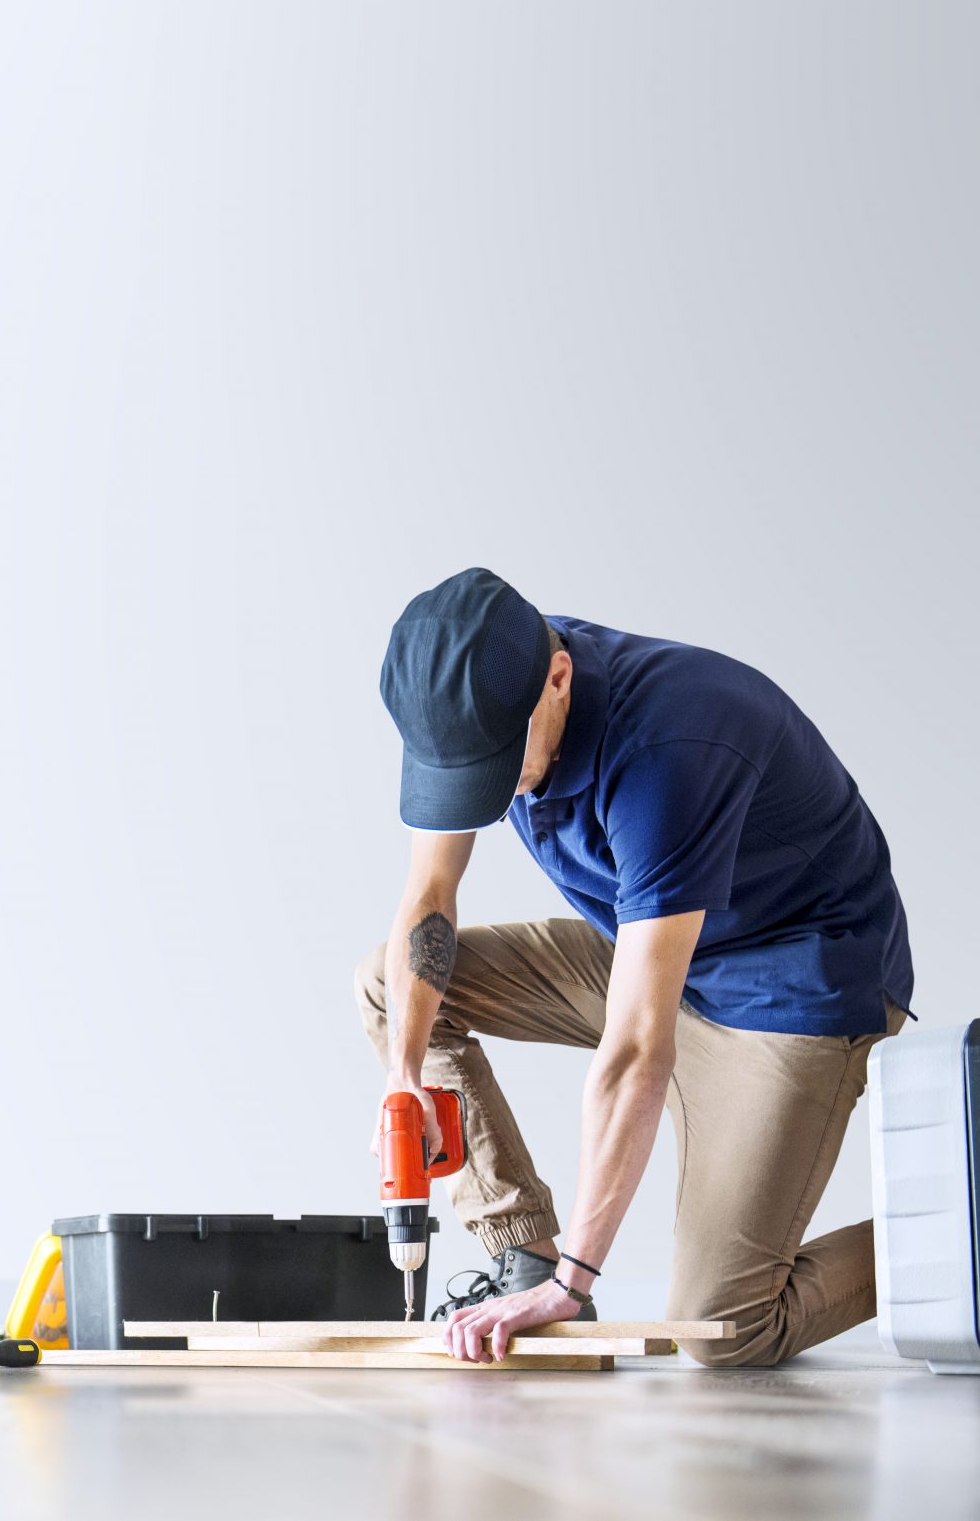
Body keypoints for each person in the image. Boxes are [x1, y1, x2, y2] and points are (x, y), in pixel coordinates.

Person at [361, 570, 913, 1366]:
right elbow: (429, 898)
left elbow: (635, 1049)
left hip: (792, 987)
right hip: (654, 944)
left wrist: (577, 1286)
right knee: (392, 986)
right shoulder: (485, 682)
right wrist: (404, 1075)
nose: (485, 792)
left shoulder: (671, 749)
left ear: (559, 681)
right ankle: (526, 1255)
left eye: (493, 767)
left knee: (725, 1328)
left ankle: (970, 1214)